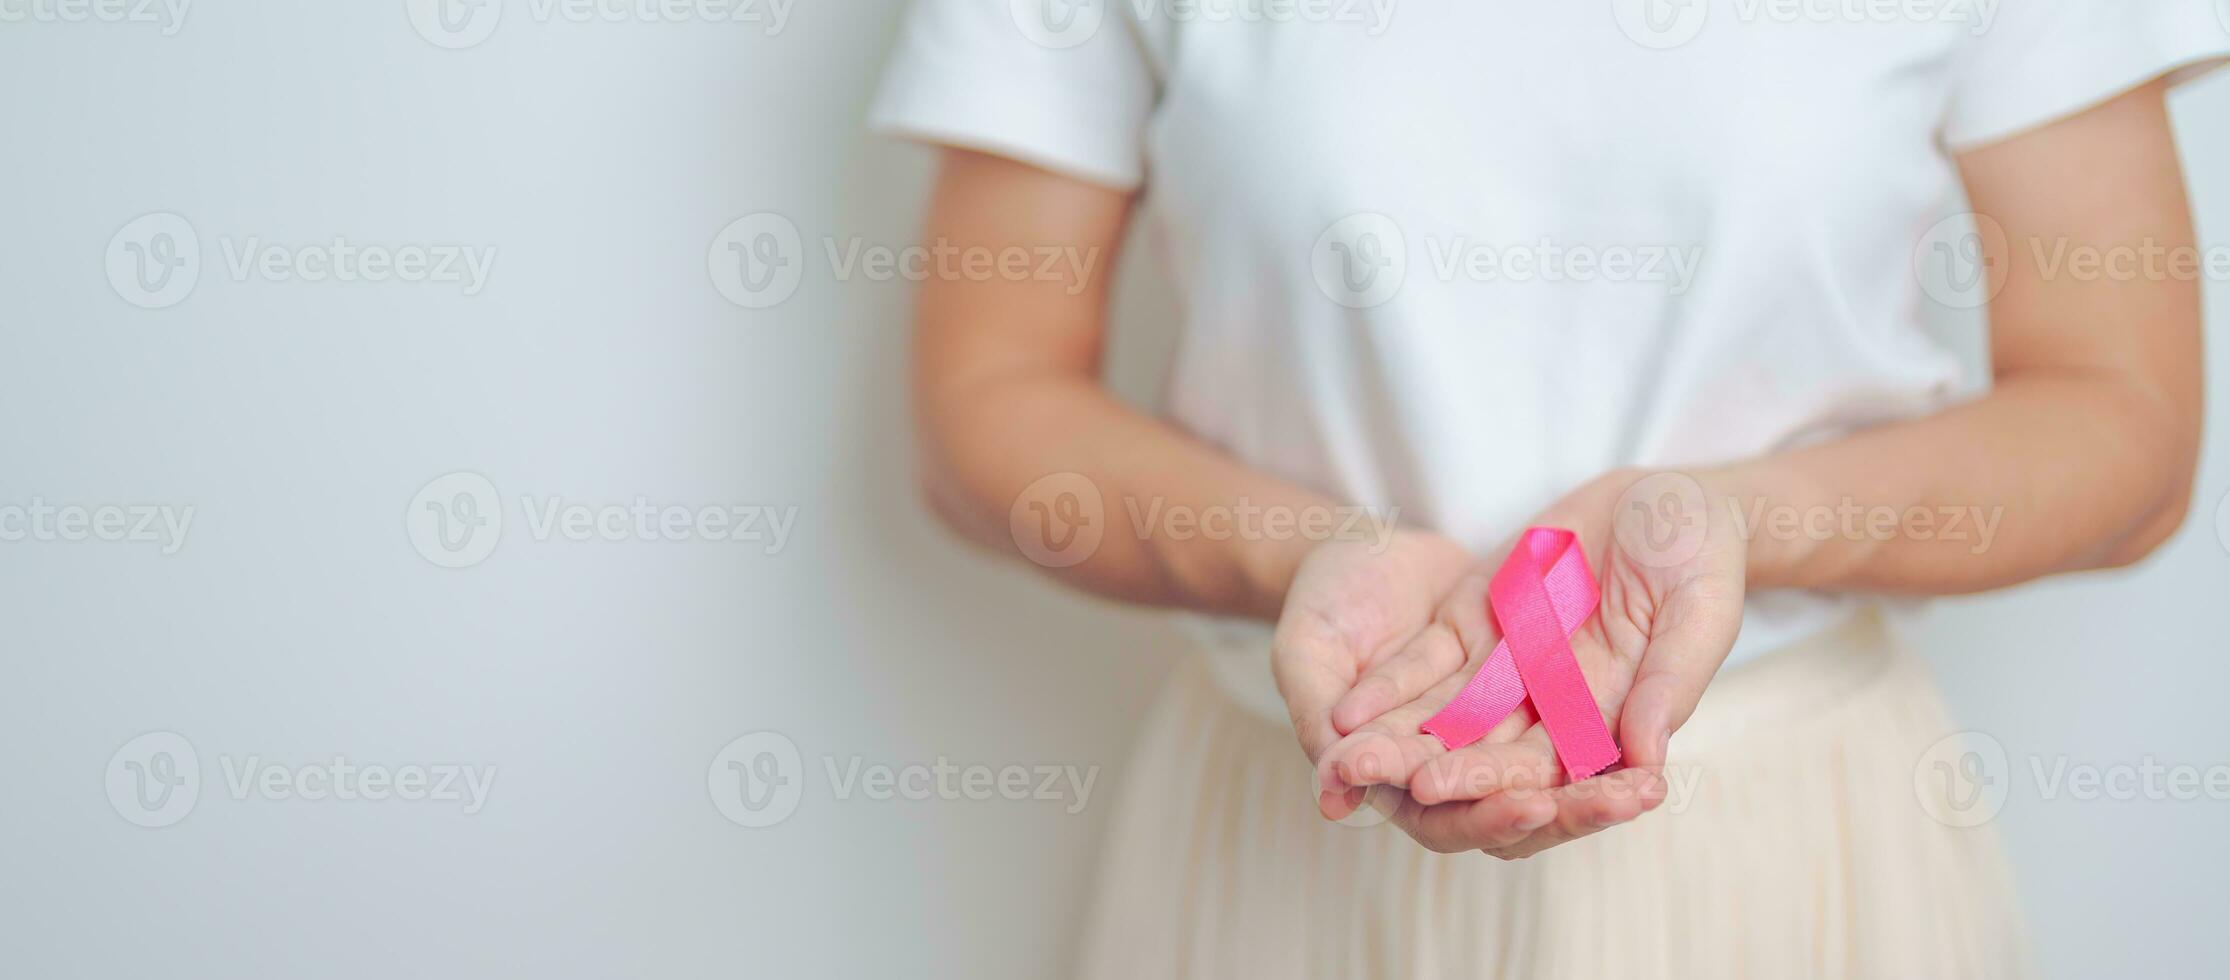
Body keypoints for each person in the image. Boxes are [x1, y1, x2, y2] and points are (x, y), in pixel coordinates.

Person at [872, 1, 2227, 976]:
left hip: (1798, 855)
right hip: (1296, 834)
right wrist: (1309, 554)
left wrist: (1734, 524)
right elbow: (984, 402)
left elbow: (2127, 430)